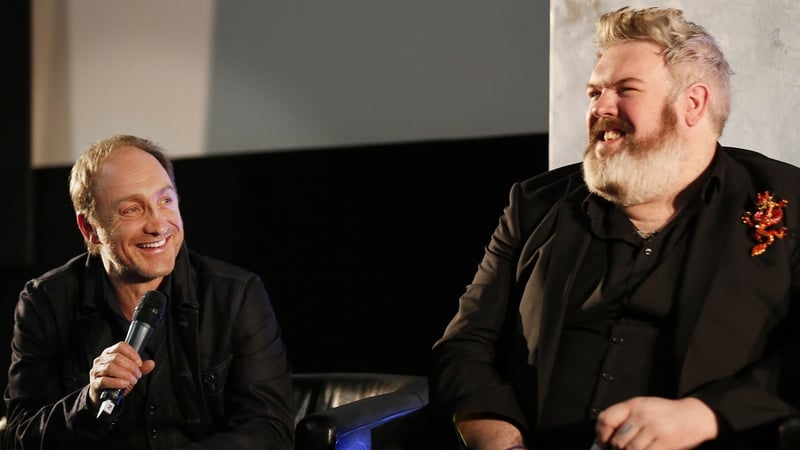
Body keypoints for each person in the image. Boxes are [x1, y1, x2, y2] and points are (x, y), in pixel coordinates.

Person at [428, 6, 800, 450]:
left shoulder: (787, 202)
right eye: (594, 92)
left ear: (693, 103)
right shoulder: (535, 203)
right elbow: (467, 343)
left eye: (625, 90)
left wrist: (707, 415)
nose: (600, 107)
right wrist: (499, 439)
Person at [3, 134, 295, 449]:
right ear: (90, 228)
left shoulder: (235, 294)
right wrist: (87, 403)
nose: (158, 225)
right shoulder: (46, 301)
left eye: (165, 201)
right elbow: (20, 436)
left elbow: (270, 431)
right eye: (132, 210)